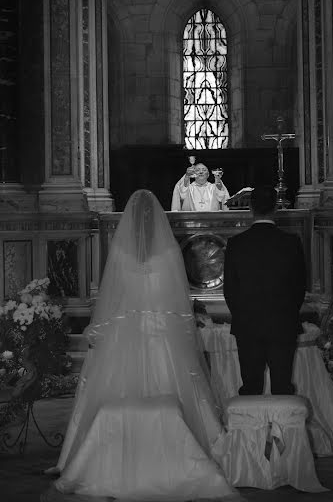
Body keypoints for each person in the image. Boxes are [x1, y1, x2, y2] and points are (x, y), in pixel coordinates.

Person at [42, 190, 239, 502]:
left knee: (111, 389)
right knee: (176, 386)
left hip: (126, 331)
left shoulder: (119, 254)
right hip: (162, 334)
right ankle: (185, 452)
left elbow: (112, 301)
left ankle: (100, 457)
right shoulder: (169, 254)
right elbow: (175, 301)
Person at [223, 185, 307, 395]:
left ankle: (251, 428)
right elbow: (299, 287)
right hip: (282, 323)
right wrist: (287, 313)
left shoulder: (236, 244)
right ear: (275, 208)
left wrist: (243, 315)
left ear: (250, 208)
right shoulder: (291, 242)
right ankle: (284, 428)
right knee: (282, 386)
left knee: (251, 387)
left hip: (248, 325)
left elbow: (230, 290)